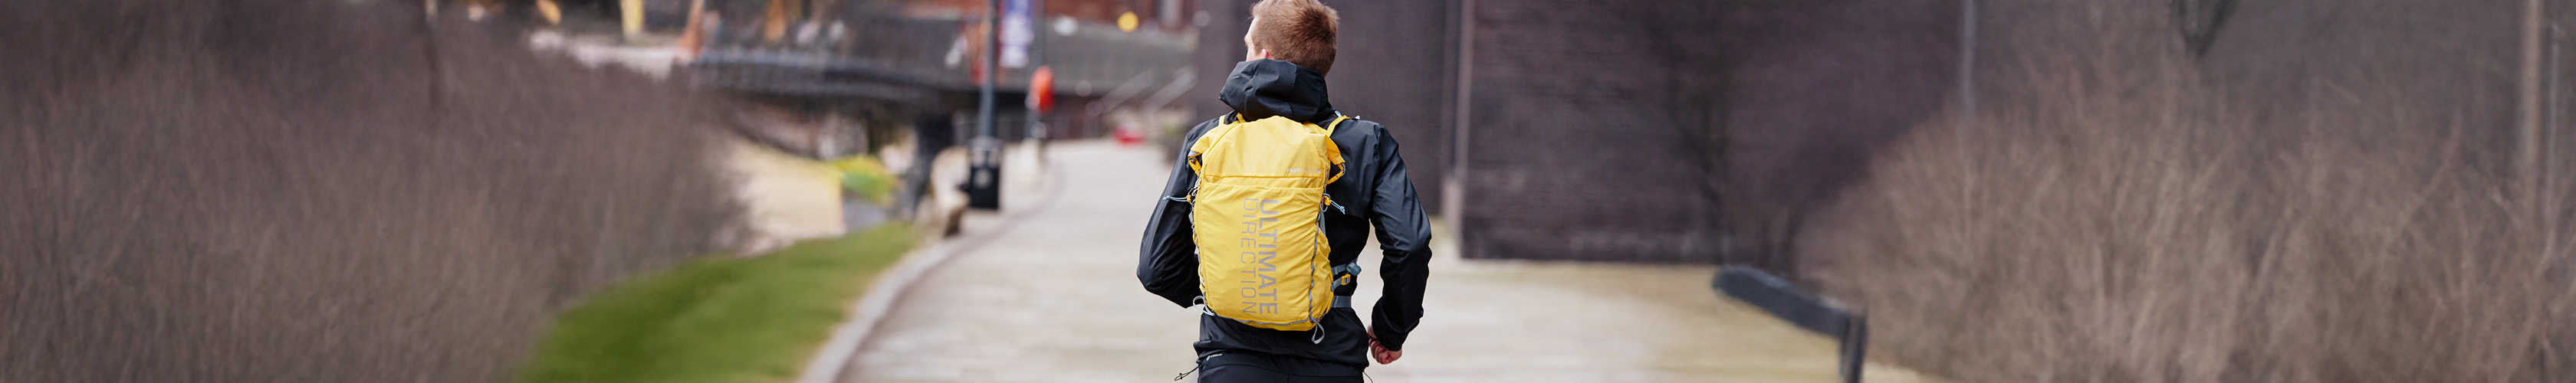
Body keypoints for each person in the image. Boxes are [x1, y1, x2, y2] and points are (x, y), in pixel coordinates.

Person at [1137, 0, 1434, 381]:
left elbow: (1156, 268)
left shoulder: (1209, 140)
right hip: (1331, 355)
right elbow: (1409, 244)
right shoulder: (1365, 143)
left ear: (1263, 55)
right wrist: (1391, 328)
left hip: (1231, 356)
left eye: (1247, 46)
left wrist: (1238, 284)